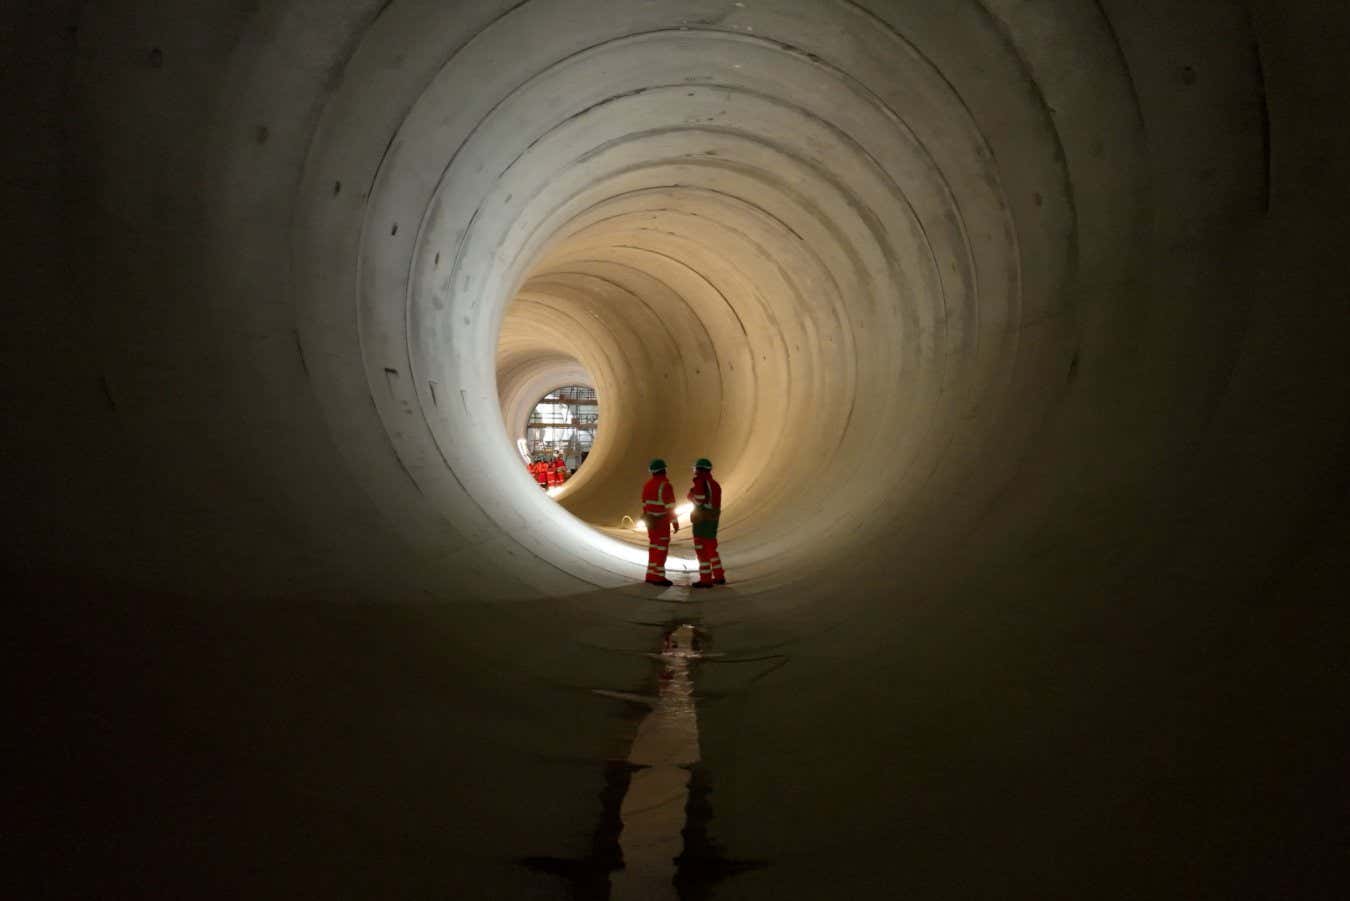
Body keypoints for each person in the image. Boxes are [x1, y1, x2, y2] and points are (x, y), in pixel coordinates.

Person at [687, 457, 725, 588]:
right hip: (712, 521)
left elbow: (699, 500)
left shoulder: (701, 481)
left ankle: (705, 580)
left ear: (699, 470)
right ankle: (719, 576)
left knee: (701, 551)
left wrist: (690, 495)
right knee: (712, 550)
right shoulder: (715, 484)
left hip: (702, 523)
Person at [641, 458, 679, 586]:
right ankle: (659, 577)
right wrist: (674, 521)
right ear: (664, 470)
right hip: (662, 522)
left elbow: (645, 505)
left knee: (653, 547)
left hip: (650, 522)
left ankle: (650, 575)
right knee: (661, 549)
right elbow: (670, 507)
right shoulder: (665, 486)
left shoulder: (647, 485)